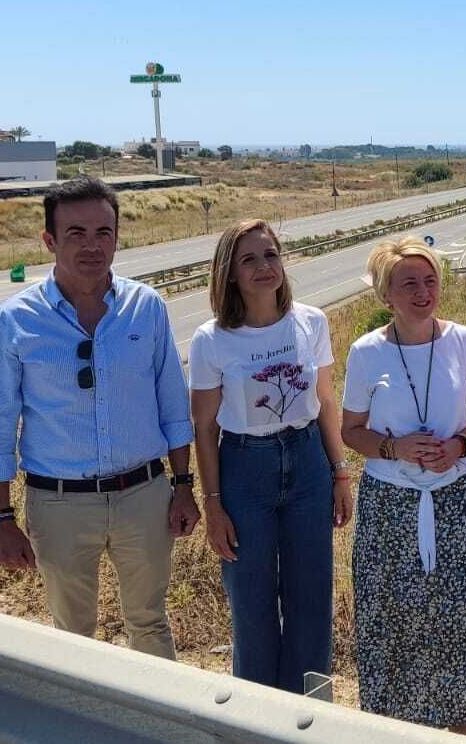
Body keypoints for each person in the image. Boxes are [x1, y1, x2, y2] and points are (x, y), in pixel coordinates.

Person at [0, 177, 199, 659]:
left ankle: (160, 729)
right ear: (49, 241)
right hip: (58, 503)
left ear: (118, 237)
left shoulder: (147, 308)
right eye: (76, 233)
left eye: (104, 232)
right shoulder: (16, 320)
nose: (92, 246)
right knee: (72, 637)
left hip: (144, 495)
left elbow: (173, 408)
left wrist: (184, 485)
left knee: (150, 623)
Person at [340, 237, 466, 736]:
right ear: (386, 294)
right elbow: (352, 431)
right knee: (398, 616)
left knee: (458, 617)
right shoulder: (367, 352)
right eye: (408, 283)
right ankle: (401, 726)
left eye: (430, 280)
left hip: (459, 501)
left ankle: (458, 722)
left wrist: (457, 446)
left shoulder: (463, 340)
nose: (422, 291)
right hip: (392, 507)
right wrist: (397, 448)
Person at [188, 219, 353, 692]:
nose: (264, 267)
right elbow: (204, 426)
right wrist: (213, 503)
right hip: (244, 469)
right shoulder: (212, 339)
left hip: (307, 463)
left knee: (312, 599)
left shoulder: (311, 321)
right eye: (249, 259)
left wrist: (340, 474)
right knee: (252, 604)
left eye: (271, 254)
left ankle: (310, 715)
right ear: (230, 273)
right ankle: (255, 724)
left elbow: (324, 400)